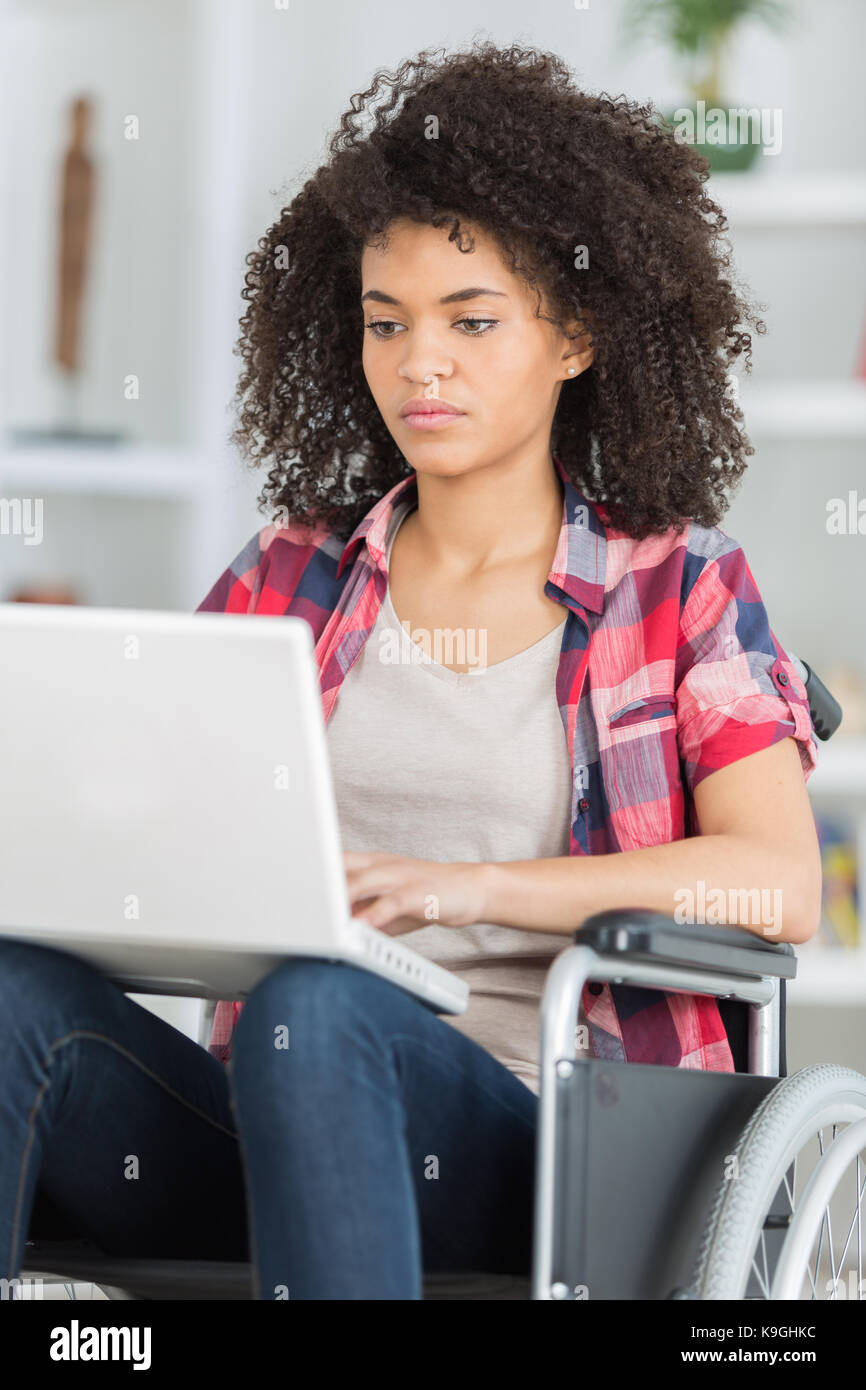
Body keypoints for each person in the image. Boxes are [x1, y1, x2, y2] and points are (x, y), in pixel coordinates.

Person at [3, 42, 821, 1301]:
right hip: (270, 1124)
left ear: (574, 335)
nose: (416, 362)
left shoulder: (678, 584)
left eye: (469, 320)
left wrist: (467, 888)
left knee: (318, 1006)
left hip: (540, 1150)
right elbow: (152, 819)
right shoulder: (287, 573)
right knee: (16, 994)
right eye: (385, 322)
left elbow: (776, 884)